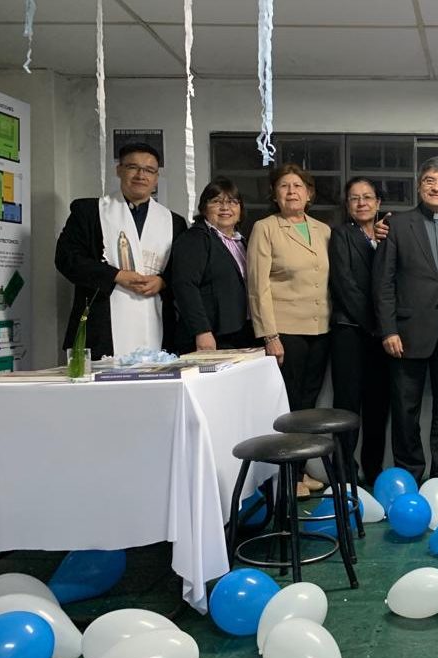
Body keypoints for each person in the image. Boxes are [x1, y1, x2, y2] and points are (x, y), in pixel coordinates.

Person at [374, 157, 438, 498]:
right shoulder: (397, 225)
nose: (437, 187)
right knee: (405, 410)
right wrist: (388, 330)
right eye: (430, 180)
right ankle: (409, 477)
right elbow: (383, 282)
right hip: (406, 334)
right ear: (419, 185)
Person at [55, 142, 186, 360]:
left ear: (156, 177)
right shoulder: (89, 212)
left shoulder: (174, 222)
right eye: (132, 167)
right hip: (101, 327)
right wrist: (116, 275)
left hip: (158, 322)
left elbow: (182, 270)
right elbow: (67, 259)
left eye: (149, 170)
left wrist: (163, 281)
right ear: (119, 170)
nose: (140, 175)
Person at [248, 163, 331, 498]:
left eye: (298, 186)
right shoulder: (266, 228)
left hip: (320, 328)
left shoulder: (323, 230)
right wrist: (269, 335)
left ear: (309, 194)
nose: (292, 191)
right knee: (289, 405)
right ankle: (287, 478)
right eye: (284, 186)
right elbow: (257, 287)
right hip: (285, 332)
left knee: (308, 404)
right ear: (274, 194)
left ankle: (300, 472)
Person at [328, 177, 391, 487]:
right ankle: (344, 472)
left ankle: (374, 470)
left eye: (368, 197)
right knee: (347, 406)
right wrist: (378, 324)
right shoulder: (340, 235)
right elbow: (345, 285)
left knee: (378, 406)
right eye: (354, 198)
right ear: (347, 205)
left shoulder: (387, 235)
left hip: (381, 337)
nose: (362, 203)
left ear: (378, 203)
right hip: (351, 332)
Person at [171, 177, 255, 353]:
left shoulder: (243, 242)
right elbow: (185, 286)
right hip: (211, 336)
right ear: (203, 208)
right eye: (217, 201)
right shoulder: (195, 238)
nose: (225, 208)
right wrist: (202, 331)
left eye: (232, 202)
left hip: (241, 332)